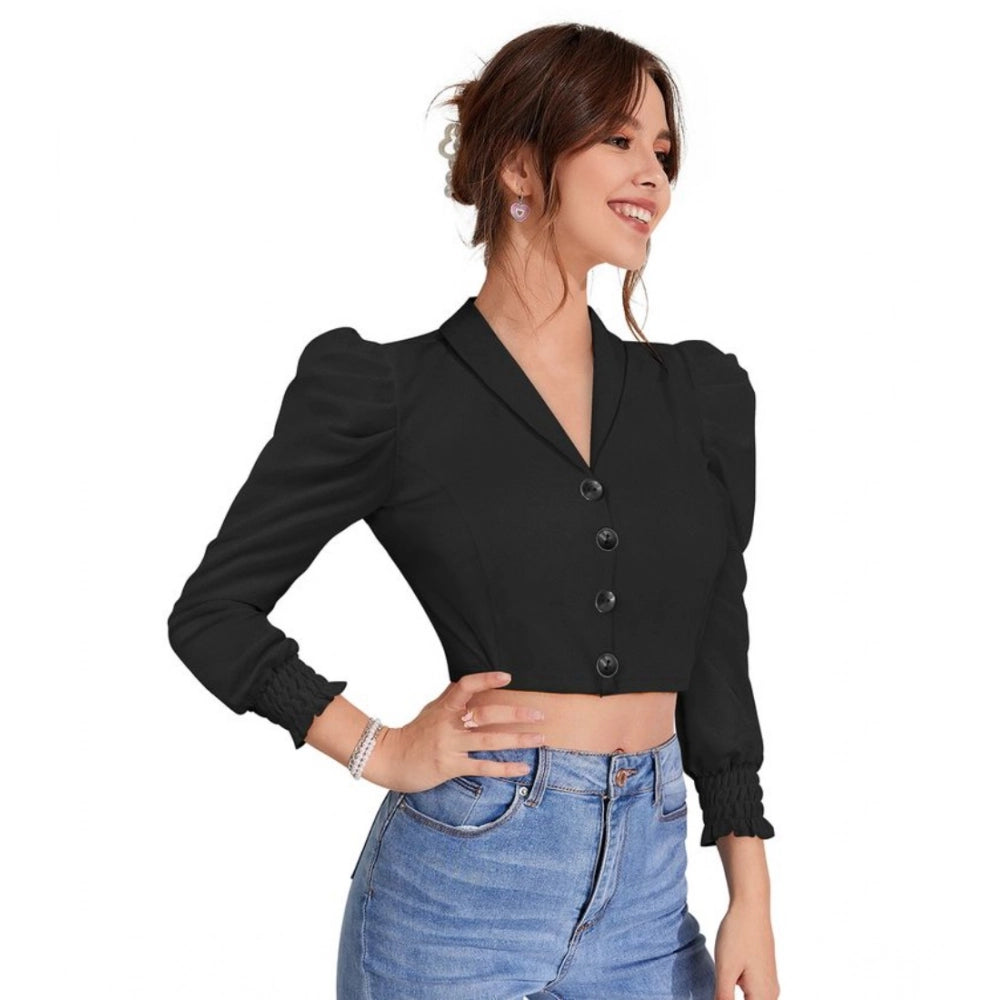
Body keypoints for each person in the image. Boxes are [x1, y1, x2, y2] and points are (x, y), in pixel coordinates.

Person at [167, 22, 779, 1000]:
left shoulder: (698, 399)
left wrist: (750, 891)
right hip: (459, 891)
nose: (653, 177)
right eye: (619, 139)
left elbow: (715, 644)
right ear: (520, 166)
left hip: (651, 894)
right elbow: (212, 614)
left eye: (663, 151)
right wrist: (378, 747)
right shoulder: (386, 395)